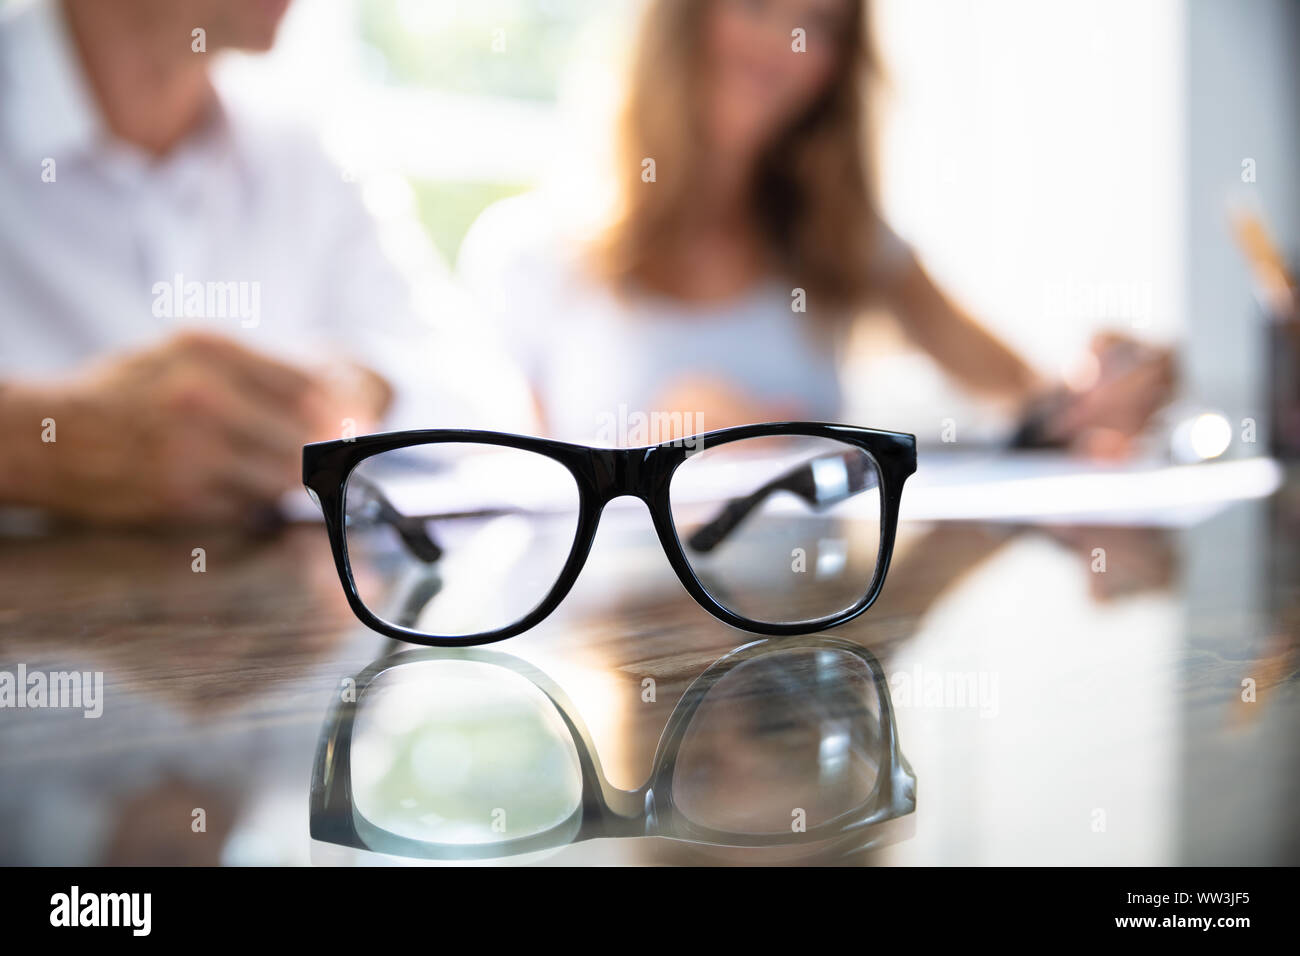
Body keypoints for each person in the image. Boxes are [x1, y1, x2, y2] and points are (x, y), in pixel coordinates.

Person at [458, 0, 1175, 452]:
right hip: (625, 655)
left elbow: (1023, 389)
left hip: (810, 643)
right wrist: (647, 461)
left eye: (820, 26)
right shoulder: (527, 255)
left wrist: (1104, 391)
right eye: (758, 6)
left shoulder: (845, 237)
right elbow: (495, 508)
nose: (785, 48)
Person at [0, 0, 499, 526]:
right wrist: (29, 444)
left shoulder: (304, 154)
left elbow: (485, 402)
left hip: (283, 601)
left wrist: (357, 387)